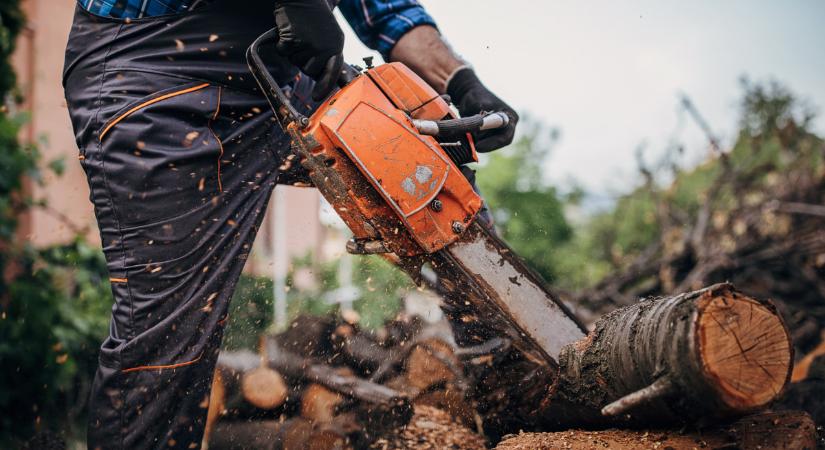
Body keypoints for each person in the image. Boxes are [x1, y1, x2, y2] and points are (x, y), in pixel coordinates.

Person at [63, 0, 518, 448]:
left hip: (284, 66)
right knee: (167, 338)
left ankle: (509, 380)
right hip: (157, 67)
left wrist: (458, 79)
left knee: (432, 176)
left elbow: (382, 7)